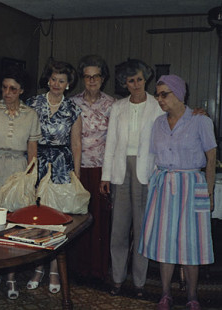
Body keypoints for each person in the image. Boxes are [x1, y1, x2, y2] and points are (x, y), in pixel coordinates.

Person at [138, 75, 216, 310]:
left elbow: (211, 158)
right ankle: (165, 295)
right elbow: (153, 158)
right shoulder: (158, 124)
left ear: (179, 94)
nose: (159, 99)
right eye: (157, 94)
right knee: (165, 243)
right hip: (164, 187)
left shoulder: (200, 121)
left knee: (191, 244)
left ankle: (192, 296)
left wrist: (209, 194)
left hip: (192, 186)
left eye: (165, 94)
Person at [100, 59, 163, 298]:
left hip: (146, 172)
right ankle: (117, 278)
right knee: (119, 227)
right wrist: (106, 175)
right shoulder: (118, 107)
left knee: (141, 229)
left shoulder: (157, 106)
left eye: (138, 79)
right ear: (124, 83)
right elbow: (111, 144)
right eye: (130, 80)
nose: (135, 84)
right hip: (120, 170)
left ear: (145, 79)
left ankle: (139, 282)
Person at [0, 65, 41, 300]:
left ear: (21, 90)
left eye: (13, 89)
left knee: (13, 225)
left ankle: (11, 276)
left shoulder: (31, 115)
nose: (7, 92)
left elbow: (32, 150)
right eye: (4, 88)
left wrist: (30, 180)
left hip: (18, 169)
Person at [25, 60, 82, 294]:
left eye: (62, 80)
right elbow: (29, 138)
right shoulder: (33, 104)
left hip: (61, 165)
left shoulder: (73, 109)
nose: (57, 84)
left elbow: (76, 144)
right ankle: (38, 267)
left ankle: (55, 269)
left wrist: (75, 174)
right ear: (47, 80)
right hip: (38, 163)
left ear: (68, 84)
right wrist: (30, 170)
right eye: (54, 79)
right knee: (38, 218)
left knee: (58, 220)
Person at [69, 55, 115, 281]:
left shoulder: (112, 104)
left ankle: (97, 269)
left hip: (101, 170)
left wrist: (107, 174)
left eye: (96, 76)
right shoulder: (73, 102)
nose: (92, 80)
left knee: (99, 220)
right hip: (77, 168)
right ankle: (78, 268)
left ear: (103, 78)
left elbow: (115, 141)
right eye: (87, 77)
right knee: (78, 217)